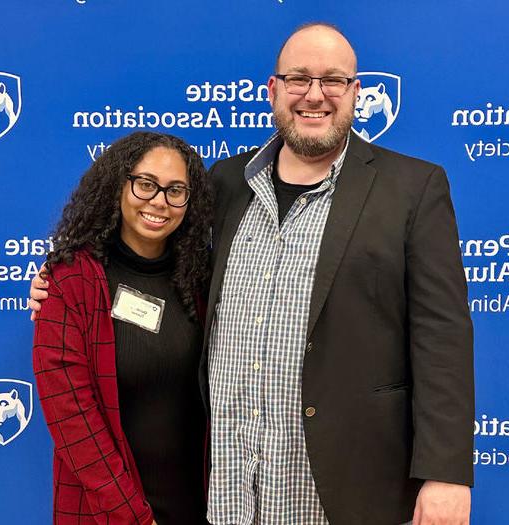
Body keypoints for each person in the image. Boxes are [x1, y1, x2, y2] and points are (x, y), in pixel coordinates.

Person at [32, 23, 474, 525]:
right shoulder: (225, 184)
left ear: (355, 92)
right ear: (273, 90)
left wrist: (446, 475)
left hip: (345, 489)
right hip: (228, 493)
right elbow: (146, 251)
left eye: (332, 80)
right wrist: (59, 280)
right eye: (298, 79)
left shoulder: (413, 188)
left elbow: (444, 339)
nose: (314, 95)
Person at [32, 132, 213, 525]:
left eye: (176, 190)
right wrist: (130, 515)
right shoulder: (70, 280)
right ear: (118, 184)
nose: (159, 201)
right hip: (110, 512)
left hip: (199, 507)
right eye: (146, 184)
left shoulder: (202, 280)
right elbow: (71, 418)